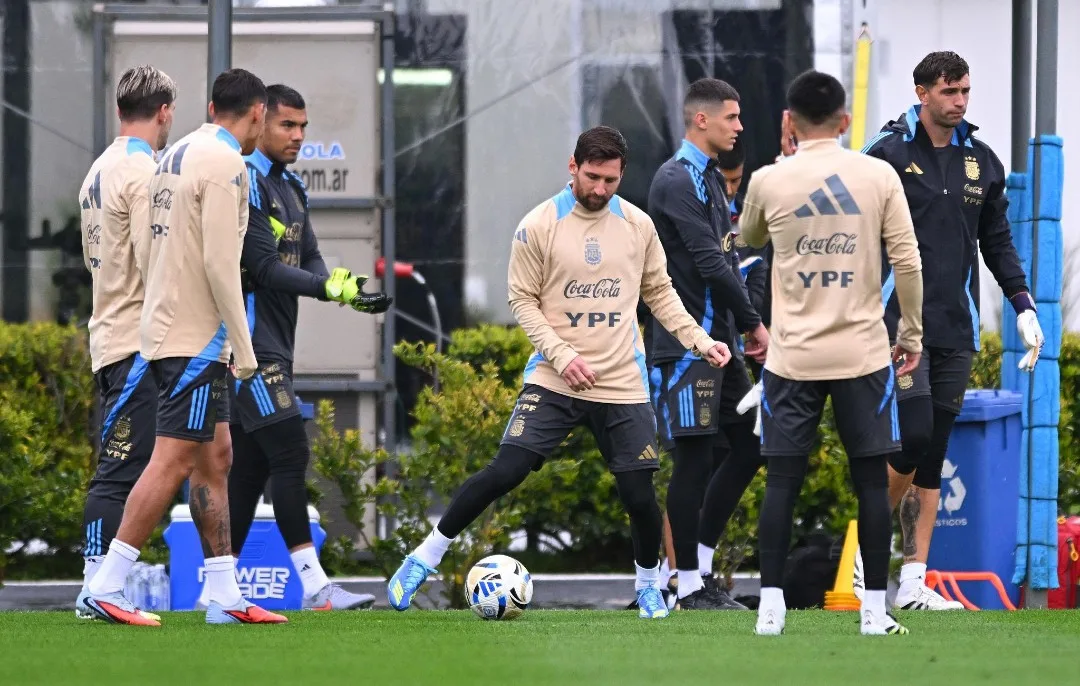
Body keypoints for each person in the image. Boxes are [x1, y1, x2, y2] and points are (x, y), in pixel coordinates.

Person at [387, 125, 734, 619]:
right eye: (592, 177)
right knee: (506, 470)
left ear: (621, 175)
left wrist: (701, 341)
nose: (599, 189)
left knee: (639, 494)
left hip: (620, 381)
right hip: (554, 376)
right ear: (572, 167)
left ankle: (649, 587)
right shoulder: (538, 225)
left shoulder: (638, 226)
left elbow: (659, 293)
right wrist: (562, 354)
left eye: (610, 180)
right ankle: (423, 557)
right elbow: (521, 301)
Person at [83, 68, 286, 626]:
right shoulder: (224, 164)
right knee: (171, 458)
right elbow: (222, 263)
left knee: (216, 457)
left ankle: (222, 592)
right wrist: (243, 348)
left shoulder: (177, 154)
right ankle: (107, 582)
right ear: (255, 115)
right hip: (197, 338)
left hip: (167, 330)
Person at [854, 51, 1043, 610]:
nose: (960, 101)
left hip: (955, 327)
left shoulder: (981, 161)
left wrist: (1023, 302)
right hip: (895, 327)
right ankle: (868, 559)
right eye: (949, 91)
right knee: (910, 438)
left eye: (965, 90)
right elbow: (852, 236)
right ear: (922, 92)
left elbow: (997, 241)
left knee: (933, 452)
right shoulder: (884, 155)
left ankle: (914, 582)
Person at [740, 69, 924, 636]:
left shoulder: (770, 179)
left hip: (791, 359)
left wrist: (782, 167)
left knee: (781, 483)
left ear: (789, 122)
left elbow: (747, 240)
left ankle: (770, 610)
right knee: (872, 484)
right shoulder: (878, 175)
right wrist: (910, 335)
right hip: (864, 355)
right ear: (846, 121)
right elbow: (909, 263)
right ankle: (872, 612)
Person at [203, 84, 390, 612]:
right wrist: (323, 286)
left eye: (304, 127)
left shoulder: (293, 189)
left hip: (275, 350)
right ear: (259, 122)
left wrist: (343, 290)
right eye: (287, 125)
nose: (298, 136)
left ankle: (218, 595)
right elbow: (263, 269)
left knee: (248, 472)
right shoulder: (246, 184)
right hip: (248, 352)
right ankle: (315, 588)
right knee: (290, 450)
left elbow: (309, 260)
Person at [644, 78, 769, 610]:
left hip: (719, 348)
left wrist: (739, 328)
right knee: (693, 461)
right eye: (732, 117)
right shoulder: (676, 180)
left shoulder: (714, 178)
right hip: (685, 346)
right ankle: (686, 585)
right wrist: (753, 322)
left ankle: (701, 569)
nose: (739, 127)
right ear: (702, 119)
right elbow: (709, 261)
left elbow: (727, 256)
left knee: (750, 447)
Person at [75, 65, 177, 621]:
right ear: (164, 111)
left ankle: (101, 584)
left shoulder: (97, 169)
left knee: (139, 463)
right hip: (138, 343)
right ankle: (96, 586)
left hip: (108, 332)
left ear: (119, 109)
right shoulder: (143, 171)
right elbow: (154, 260)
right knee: (119, 468)